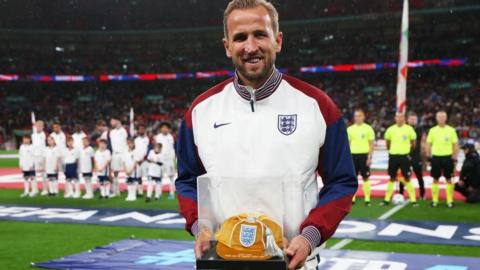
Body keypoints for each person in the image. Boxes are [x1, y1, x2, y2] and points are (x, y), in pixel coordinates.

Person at [175, 1, 357, 269]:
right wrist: (199, 226)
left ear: (278, 40)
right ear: (227, 46)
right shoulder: (200, 111)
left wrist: (308, 237)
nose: (250, 47)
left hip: (295, 262)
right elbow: (188, 181)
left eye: (260, 34)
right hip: (224, 260)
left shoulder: (317, 106)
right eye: (240, 38)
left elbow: (342, 182)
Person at [382, 113, 418, 206]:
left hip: (404, 156)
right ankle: (386, 200)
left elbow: (413, 143)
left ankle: (413, 200)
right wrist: (392, 150)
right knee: (392, 177)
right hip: (393, 156)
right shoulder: (390, 129)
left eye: (401, 117)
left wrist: (407, 151)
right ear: (395, 118)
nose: (399, 119)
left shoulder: (409, 129)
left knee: (407, 178)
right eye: (397, 117)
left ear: (404, 118)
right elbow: (387, 143)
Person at [426, 110, 459, 208]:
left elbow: (455, 145)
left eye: (443, 117)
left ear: (446, 118)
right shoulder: (432, 130)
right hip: (436, 157)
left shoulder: (451, 130)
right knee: (435, 179)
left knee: (449, 179)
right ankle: (434, 201)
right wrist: (428, 157)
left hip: (448, 157)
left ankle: (450, 201)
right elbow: (428, 144)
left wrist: (455, 158)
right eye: (439, 117)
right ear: (436, 118)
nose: (441, 118)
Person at [347, 109, 375, 206]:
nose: (357, 118)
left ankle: (367, 199)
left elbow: (371, 144)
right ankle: (352, 198)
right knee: (353, 178)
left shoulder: (368, 129)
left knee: (365, 177)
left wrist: (369, 157)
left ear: (363, 117)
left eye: (359, 116)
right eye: (356, 116)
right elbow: (347, 145)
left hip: (364, 155)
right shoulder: (350, 129)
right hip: (352, 156)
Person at [399, 112, 426, 199]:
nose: (413, 120)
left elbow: (423, 142)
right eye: (411, 119)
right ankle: (401, 194)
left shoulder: (420, 129)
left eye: (415, 119)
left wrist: (424, 157)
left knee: (419, 176)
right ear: (407, 119)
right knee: (403, 176)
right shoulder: (403, 128)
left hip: (416, 155)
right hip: (404, 155)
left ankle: (422, 194)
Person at [102, 118, 128, 197]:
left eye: (116, 121)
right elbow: (106, 142)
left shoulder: (124, 131)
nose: (115, 123)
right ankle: (116, 191)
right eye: (113, 121)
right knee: (115, 173)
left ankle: (132, 190)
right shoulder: (111, 132)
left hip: (124, 153)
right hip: (115, 154)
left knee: (129, 171)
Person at [155, 122, 176, 200]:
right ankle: (159, 193)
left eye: (166, 128)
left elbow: (172, 148)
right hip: (161, 159)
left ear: (168, 129)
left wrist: (173, 159)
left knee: (171, 177)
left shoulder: (170, 137)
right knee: (159, 176)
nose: (164, 129)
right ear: (160, 129)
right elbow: (157, 148)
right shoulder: (158, 137)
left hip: (169, 159)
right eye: (163, 128)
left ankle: (171, 192)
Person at [31, 120, 48, 195]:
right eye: (37, 126)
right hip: (34, 156)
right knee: (32, 173)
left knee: (43, 173)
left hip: (42, 156)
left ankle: (45, 189)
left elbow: (40, 146)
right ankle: (35, 189)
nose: (38, 127)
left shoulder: (43, 135)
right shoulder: (33, 135)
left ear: (42, 127)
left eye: (40, 126)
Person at [134, 124, 150, 197]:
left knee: (148, 176)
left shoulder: (148, 139)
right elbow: (134, 150)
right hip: (137, 161)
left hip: (145, 161)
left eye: (143, 129)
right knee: (138, 176)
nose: (141, 130)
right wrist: (136, 160)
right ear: (138, 130)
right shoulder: (136, 140)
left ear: (145, 130)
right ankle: (140, 192)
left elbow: (149, 150)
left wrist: (143, 159)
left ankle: (149, 192)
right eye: (140, 129)